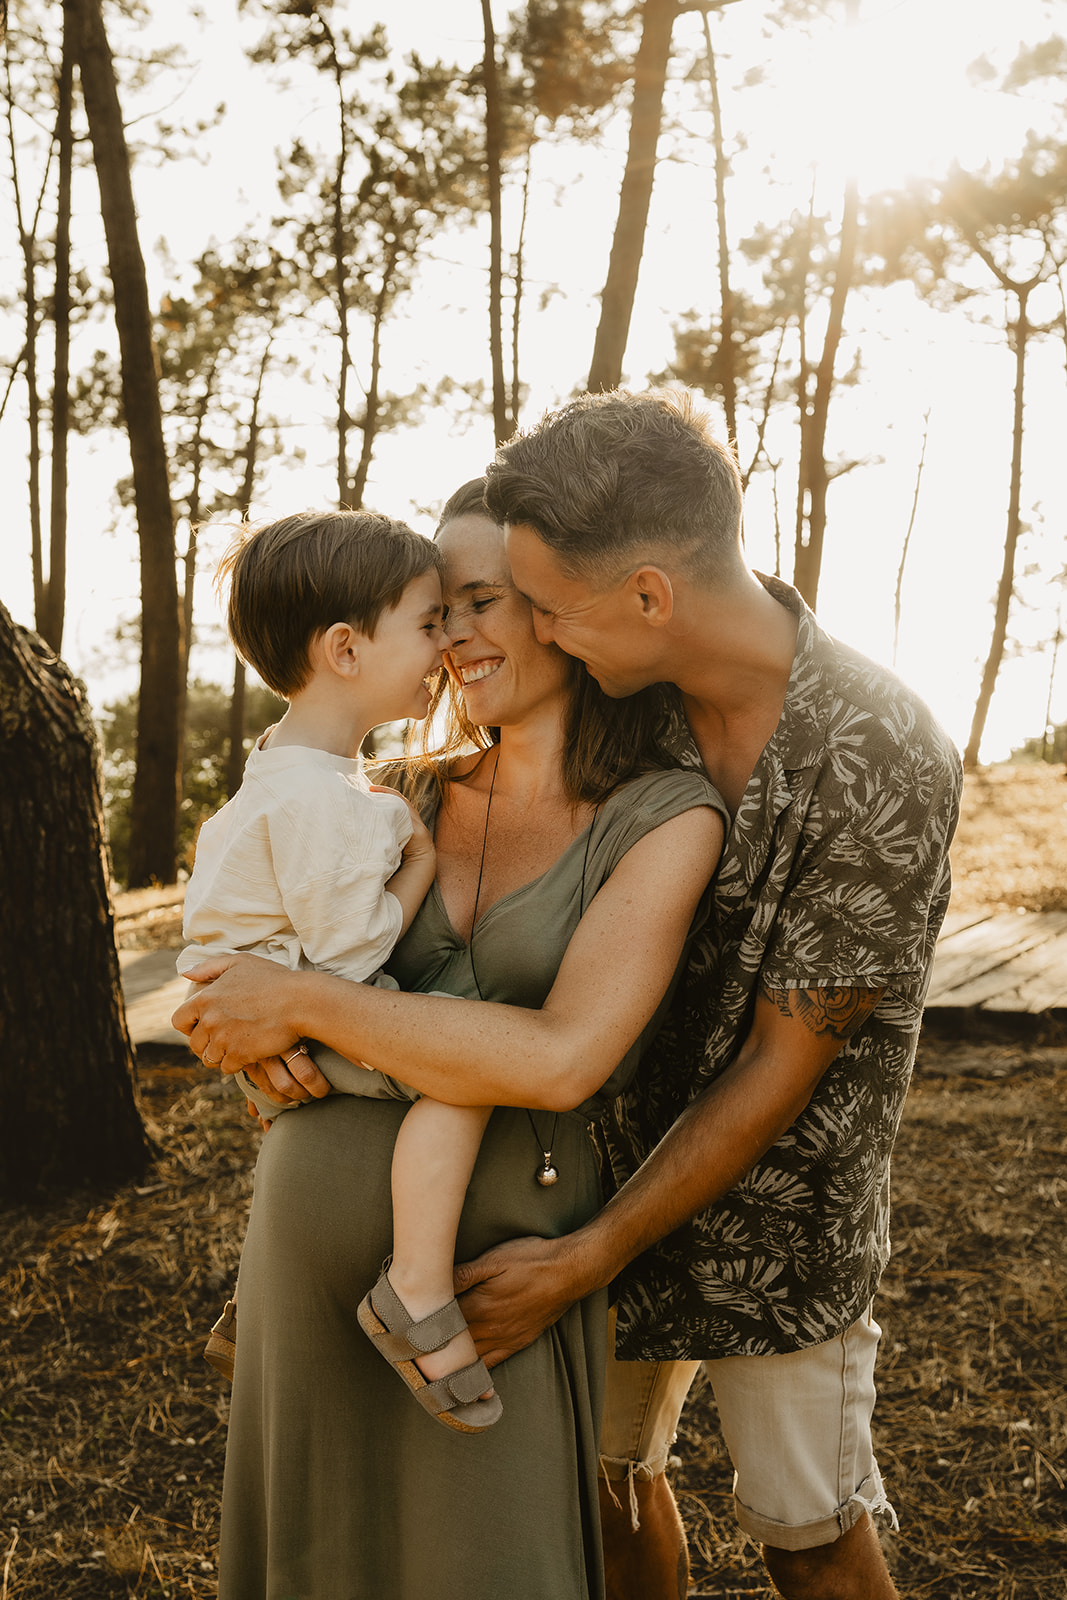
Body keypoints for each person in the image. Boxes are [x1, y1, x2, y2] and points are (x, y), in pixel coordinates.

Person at [178, 393, 962, 1600]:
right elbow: (308, 947)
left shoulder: (870, 743)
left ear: (637, 597)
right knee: (604, 1496)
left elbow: (777, 1059)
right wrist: (256, 1030)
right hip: (560, 1173)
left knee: (806, 1531)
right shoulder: (600, 681)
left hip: (772, 1200)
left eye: (519, 604)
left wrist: (589, 1252)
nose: (473, 634)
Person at [174, 477, 727, 1599]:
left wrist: (305, 1011)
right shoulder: (392, 795)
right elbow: (243, 969)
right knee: (319, 1562)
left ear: (556, 610)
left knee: (490, 1559)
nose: (454, 636)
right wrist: (236, 1030)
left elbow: (564, 1055)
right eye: (438, 609)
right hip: (304, 1235)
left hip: (489, 1282)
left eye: (479, 600)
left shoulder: (664, 813)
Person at [175, 508, 515, 1428]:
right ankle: (415, 1287)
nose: (444, 643)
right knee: (467, 1074)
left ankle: (260, 1309)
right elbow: (348, 955)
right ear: (344, 649)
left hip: (277, 1018)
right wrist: (419, 867)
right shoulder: (320, 802)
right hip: (304, 1019)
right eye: (425, 622)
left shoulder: (293, 774)